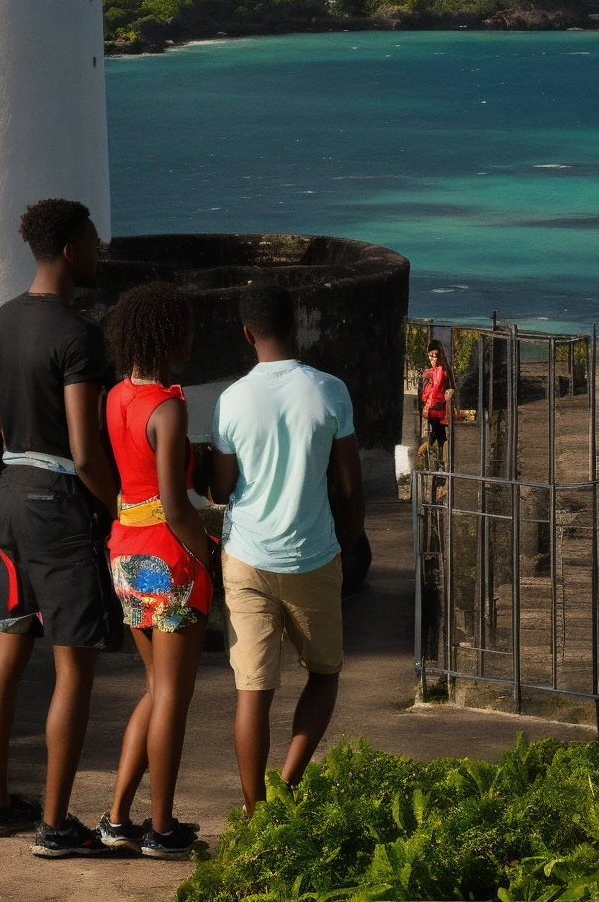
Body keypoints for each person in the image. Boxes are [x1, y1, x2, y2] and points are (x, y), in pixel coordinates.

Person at [0, 198, 117, 860]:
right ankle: (56, 825)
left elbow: (7, 427)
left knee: (7, 647)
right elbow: (86, 452)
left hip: (8, 491)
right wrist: (119, 506)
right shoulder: (79, 336)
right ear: (67, 249)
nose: (98, 249)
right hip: (58, 503)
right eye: (91, 240)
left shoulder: (0, 324)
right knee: (74, 666)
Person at [209, 282, 365, 815]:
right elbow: (349, 486)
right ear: (295, 325)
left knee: (252, 691)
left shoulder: (231, 400)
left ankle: (255, 813)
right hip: (314, 556)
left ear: (247, 333)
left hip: (247, 558)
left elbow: (222, 490)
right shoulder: (329, 391)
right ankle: (288, 787)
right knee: (324, 673)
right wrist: (350, 544)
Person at [96, 280, 215, 863]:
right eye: (185, 325)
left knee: (154, 689)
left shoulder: (116, 397)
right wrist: (210, 550)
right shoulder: (169, 408)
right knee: (172, 694)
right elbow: (175, 504)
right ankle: (161, 827)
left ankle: (118, 817)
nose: (193, 334)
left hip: (124, 553)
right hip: (169, 559)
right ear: (167, 335)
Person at [419, 341, 450, 463]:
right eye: (431, 356)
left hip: (436, 410)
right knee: (440, 438)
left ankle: (439, 464)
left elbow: (435, 390)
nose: (433, 359)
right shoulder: (435, 371)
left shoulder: (439, 371)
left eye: (435, 356)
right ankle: (440, 466)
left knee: (439, 437)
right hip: (436, 411)